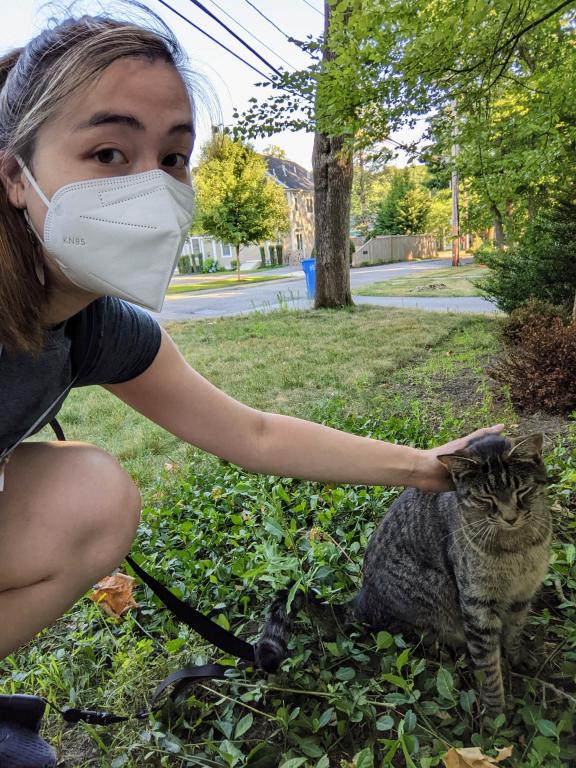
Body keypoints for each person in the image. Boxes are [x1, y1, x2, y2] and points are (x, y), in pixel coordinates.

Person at [0, 7, 502, 765]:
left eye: (173, 159)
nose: (152, 189)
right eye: (108, 151)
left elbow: (251, 433)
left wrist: (426, 465)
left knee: (94, 494)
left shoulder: (94, 326)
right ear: (14, 174)